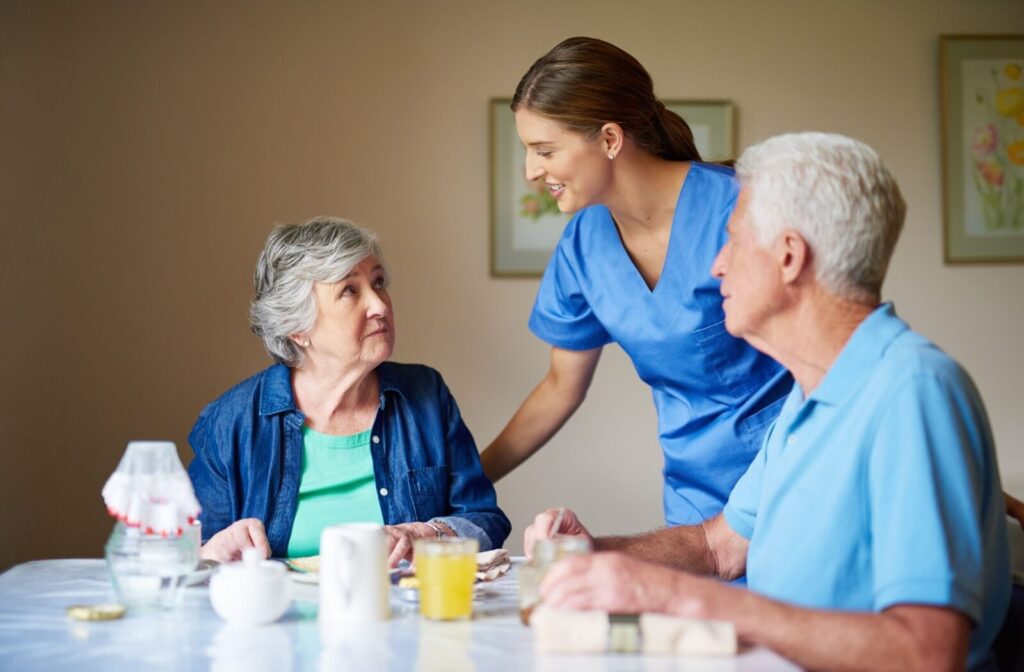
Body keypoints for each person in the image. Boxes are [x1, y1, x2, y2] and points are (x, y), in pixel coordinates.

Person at [526, 133, 1012, 671]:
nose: (716, 266)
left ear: (788, 257)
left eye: (732, 241)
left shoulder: (912, 391)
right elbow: (719, 546)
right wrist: (595, 553)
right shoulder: (808, 398)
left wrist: (684, 598)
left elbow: (927, 651)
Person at [481, 37, 792, 528]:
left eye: (544, 150)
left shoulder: (740, 210)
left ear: (609, 139)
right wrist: (469, 482)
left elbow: (829, 352)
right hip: (695, 503)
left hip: (793, 481)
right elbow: (561, 386)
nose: (531, 171)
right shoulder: (584, 244)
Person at [188, 217, 510, 565]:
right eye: (350, 291)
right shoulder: (230, 423)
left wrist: (427, 534)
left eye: (379, 282)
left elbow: (486, 521)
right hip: (282, 616)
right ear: (297, 327)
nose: (380, 305)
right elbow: (186, 559)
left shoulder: (427, 397)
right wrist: (211, 550)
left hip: (402, 613)